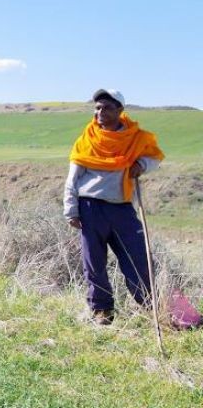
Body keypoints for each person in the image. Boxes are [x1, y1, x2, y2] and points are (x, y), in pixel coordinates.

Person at [64, 89, 165, 325]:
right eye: (97, 107)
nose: (101, 112)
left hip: (122, 208)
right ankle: (102, 311)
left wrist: (142, 165)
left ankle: (152, 307)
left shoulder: (135, 138)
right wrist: (71, 210)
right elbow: (72, 179)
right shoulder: (86, 140)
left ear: (120, 110)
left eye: (107, 107)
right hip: (90, 207)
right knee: (94, 262)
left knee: (137, 258)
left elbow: (155, 158)